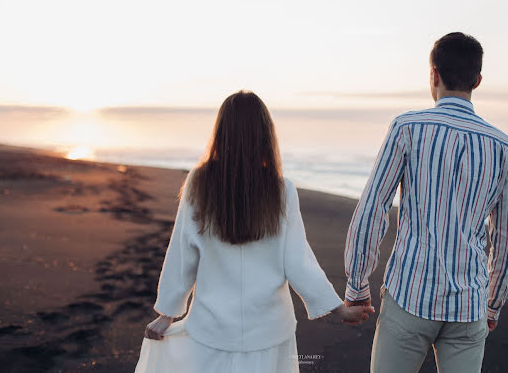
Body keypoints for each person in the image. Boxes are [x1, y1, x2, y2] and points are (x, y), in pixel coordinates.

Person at [136, 90, 375, 373]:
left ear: (221, 132)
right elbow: (298, 262)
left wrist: (167, 313)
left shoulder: (199, 183)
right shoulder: (281, 190)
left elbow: (182, 253)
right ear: (265, 135)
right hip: (269, 332)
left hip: (212, 329)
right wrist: (339, 308)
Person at [344, 32, 508, 373]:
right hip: (469, 305)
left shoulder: (407, 128)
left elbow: (372, 209)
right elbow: (505, 238)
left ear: (433, 75)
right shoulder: (503, 147)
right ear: (477, 81)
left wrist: (357, 283)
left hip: (409, 294)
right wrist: (493, 304)